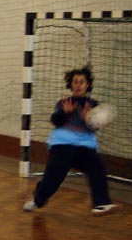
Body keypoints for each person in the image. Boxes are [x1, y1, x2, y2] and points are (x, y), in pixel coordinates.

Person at [23, 65, 118, 216]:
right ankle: (38, 200)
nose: (78, 85)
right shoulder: (63, 103)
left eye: (82, 82)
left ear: (87, 85)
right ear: (71, 84)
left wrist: (90, 120)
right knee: (53, 177)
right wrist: (64, 113)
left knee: (97, 169)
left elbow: (96, 127)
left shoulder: (94, 105)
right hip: (62, 145)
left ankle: (102, 204)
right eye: (75, 82)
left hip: (84, 147)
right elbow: (55, 120)